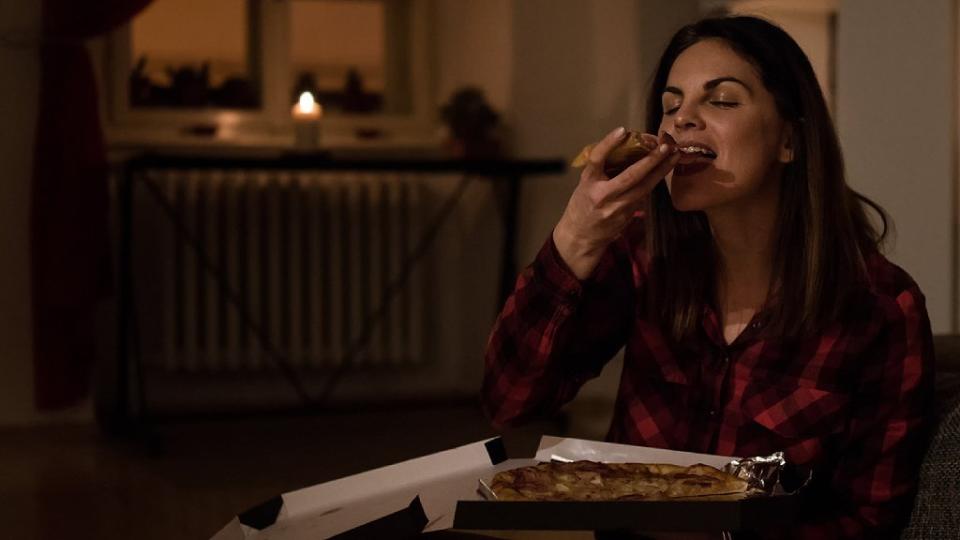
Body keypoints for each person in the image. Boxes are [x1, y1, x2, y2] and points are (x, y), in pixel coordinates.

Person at [481, 15, 935, 539]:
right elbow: (510, 401)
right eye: (671, 105)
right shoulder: (643, 256)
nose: (680, 122)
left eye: (720, 100)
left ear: (790, 139)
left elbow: (869, 521)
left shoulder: (880, 306)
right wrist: (575, 239)